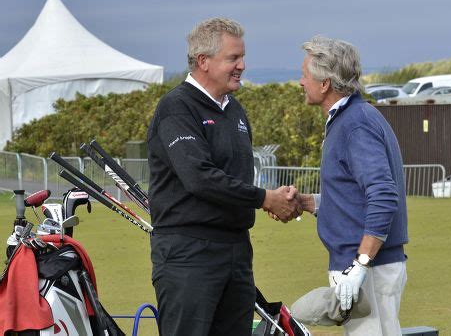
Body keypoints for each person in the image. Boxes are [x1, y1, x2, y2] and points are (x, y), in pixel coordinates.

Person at [146, 18, 301, 336]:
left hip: (236, 250)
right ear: (203, 61)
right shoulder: (177, 108)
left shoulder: (235, 110)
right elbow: (200, 178)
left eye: (242, 57)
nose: (242, 66)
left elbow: (234, 176)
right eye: (233, 58)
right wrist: (264, 198)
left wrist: (265, 199)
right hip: (188, 253)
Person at [297, 36, 408, 336]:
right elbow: (357, 196)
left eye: (305, 75)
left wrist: (359, 265)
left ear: (325, 84)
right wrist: (314, 203)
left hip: (366, 269)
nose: (300, 82)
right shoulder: (353, 117)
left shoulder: (354, 123)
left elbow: (383, 194)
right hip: (367, 266)